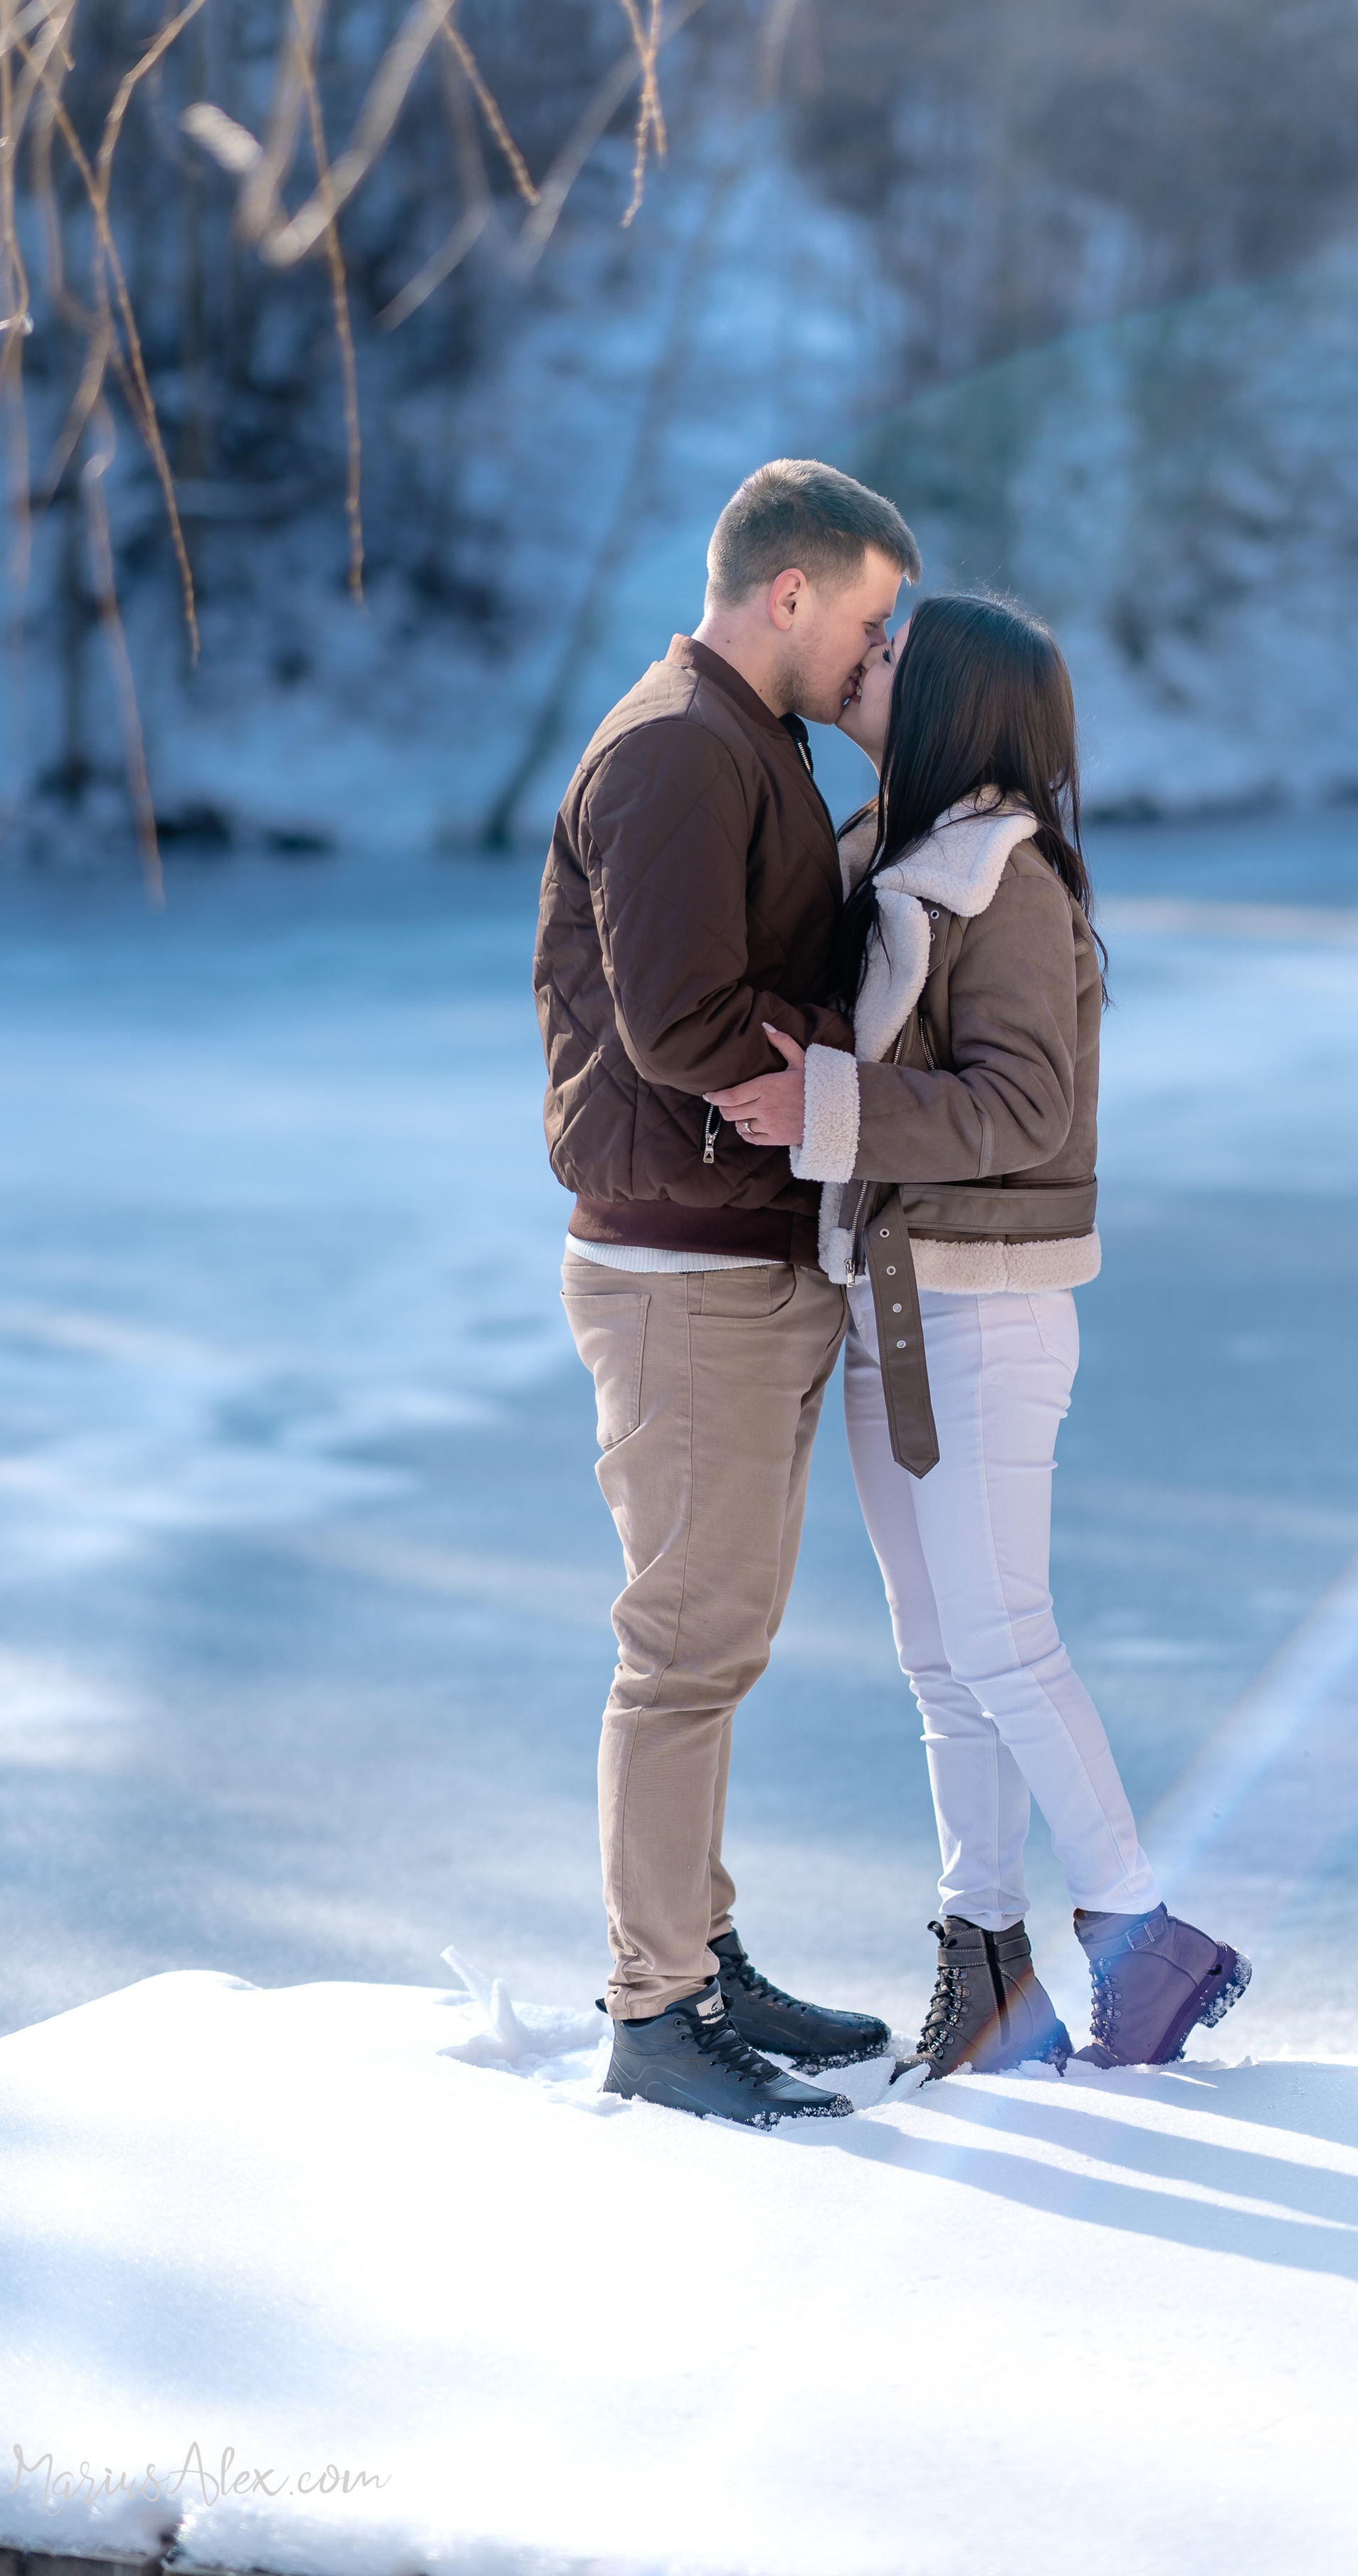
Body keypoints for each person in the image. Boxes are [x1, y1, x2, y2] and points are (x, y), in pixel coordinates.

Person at [706, 592, 1251, 2078]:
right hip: (901, 1306)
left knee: (1003, 1646)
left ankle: (1146, 1945)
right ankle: (986, 1969)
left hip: (985, 1318)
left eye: (890, 658)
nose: (862, 664)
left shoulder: (1000, 880)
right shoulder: (895, 864)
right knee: (942, 1663)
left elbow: (1023, 1107)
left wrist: (821, 1103)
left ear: (951, 705)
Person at [534, 459, 921, 2127]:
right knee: (684, 1651)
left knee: (721, 1641)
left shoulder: (744, 739)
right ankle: (654, 2007)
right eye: (868, 617)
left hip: (731, 1251)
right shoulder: (680, 748)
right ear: (789, 594)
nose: (873, 650)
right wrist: (867, 1067)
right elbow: (682, 1026)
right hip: (677, 1269)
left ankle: (704, 1950)